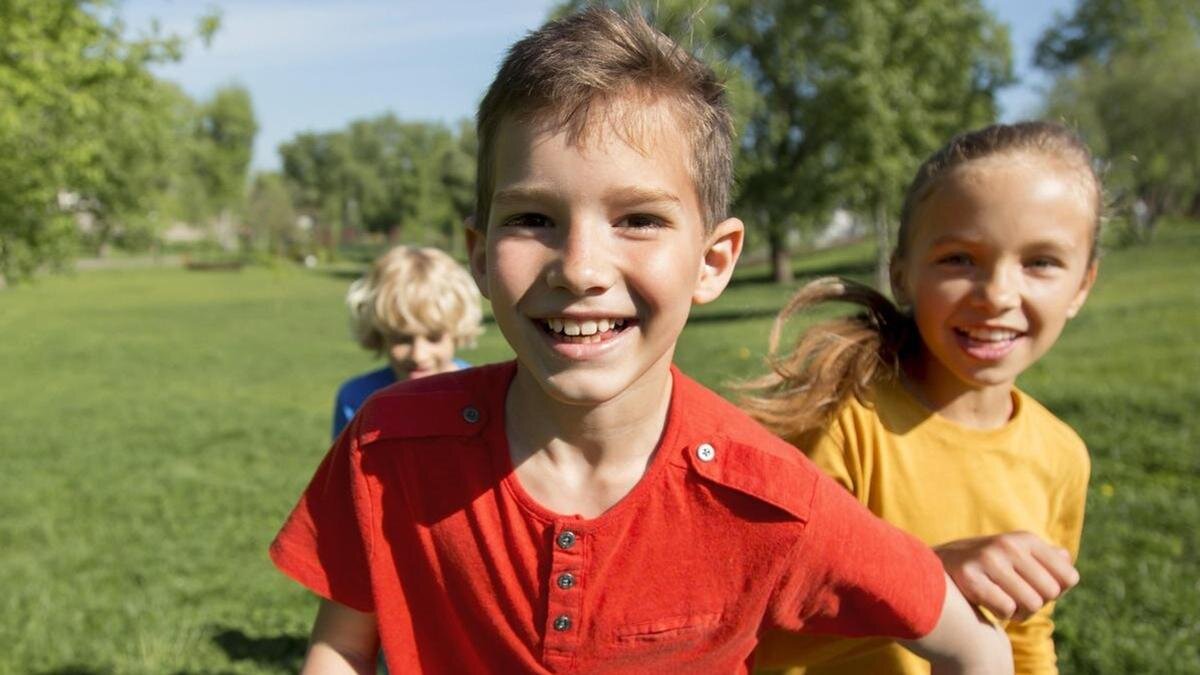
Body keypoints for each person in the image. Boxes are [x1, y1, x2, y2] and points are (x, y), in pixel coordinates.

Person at [269, 9, 1012, 674]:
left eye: (639, 220)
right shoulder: (388, 448)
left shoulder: (768, 500)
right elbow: (344, 644)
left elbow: (973, 645)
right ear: (477, 250)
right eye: (533, 218)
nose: (581, 268)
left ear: (713, 260)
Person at [746, 121, 1100, 674]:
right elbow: (761, 614)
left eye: (1041, 262)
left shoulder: (1061, 457)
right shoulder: (842, 423)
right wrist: (927, 584)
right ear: (903, 274)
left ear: (1082, 286)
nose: (998, 295)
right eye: (959, 259)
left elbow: (1026, 633)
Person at [331, 245, 483, 438]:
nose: (418, 355)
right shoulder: (356, 400)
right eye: (402, 339)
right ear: (379, 334)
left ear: (457, 331)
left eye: (433, 337)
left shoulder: (480, 395)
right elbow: (345, 466)